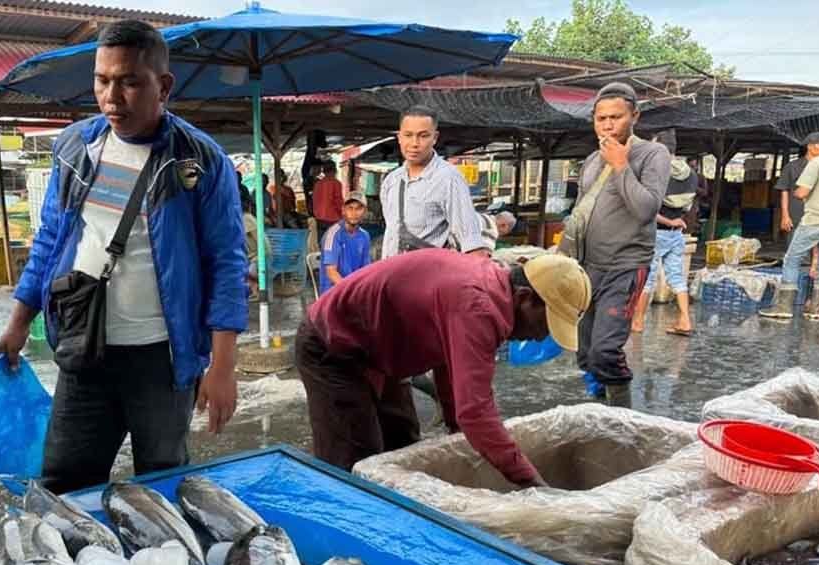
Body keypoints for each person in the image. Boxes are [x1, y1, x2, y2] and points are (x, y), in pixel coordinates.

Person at [0, 20, 247, 494]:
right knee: (64, 484)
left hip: (163, 357)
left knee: (162, 482)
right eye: (102, 80)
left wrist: (222, 366)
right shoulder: (75, 148)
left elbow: (227, 262)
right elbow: (50, 239)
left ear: (163, 86)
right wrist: (18, 321)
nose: (112, 97)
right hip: (84, 350)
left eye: (129, 82)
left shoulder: (199, 160)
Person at [294, 250, 590, 485]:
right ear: (525, 298)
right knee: (356, 460)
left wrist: (455, 426)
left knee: (404, 446)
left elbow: (451, 363)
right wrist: (534, 486)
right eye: (546, 324)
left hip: (379, 349)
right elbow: (476, 412)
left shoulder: (492, 290)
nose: (541, 336)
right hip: (333, 345)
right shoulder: (479, 306)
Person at [561, 82, 670, 408]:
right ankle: (599, 408)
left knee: (605, 350)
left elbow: (646, 209)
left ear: (634, 116)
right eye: (600, 118)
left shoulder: (652, 154)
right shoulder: (593, 160)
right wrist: (562, 257)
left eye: (616, 117)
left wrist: (621, 165)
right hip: (587, 265)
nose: (607, 125)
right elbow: (581, 211)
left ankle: (623, 414)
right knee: (584, 353)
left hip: (625, 264)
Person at [379, 106, 487, 258]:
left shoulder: (448, 179)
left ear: (435, 138)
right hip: (392, 276)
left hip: (428, 277)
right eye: (408, 135)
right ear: (399, 137)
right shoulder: (391, 180)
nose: (414, 143)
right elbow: (391, 232)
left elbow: (470, 242)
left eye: (423, 136)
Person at [761, 127, 819, 321]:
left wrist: (799, 193)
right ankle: (814, 310)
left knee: (792, 258)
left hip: (815, 219)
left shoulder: (818, 163)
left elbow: (802, 192)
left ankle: (784, 307)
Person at [631, 129, 698, 336]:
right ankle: (685, 320)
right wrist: (674, 220)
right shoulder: (691, 175)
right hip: (676, 233)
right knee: (677, 278)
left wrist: (667, 219)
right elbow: (687, 208)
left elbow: (647, 208)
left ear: (658, 147)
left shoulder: (656, 172)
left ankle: (638, 322)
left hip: (656, 232)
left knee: (646, 279)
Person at [774, 132, 819, 282]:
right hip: (796, 214)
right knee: (793, 252)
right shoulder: (792, 167)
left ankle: (815, 287)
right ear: (810, 146)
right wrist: (785, 215)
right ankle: (791, 287)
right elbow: (784, 190)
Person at [319, 192, 372, 292]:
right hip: (333, 293)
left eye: (358, 209)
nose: (354, 213)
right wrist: (351, 290)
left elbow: (366, 268)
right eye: (350, 208)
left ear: (365, 211)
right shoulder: (334, 235)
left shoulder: (364, 236)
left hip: (353, 290)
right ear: (343, 210)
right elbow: (331, 272)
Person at [311, 160, 344, 233]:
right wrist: (343, 215)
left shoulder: (318, 184)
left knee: (322, 242)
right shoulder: (336, 183)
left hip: (319, 219)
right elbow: (338, 202)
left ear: (324, 171)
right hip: (332, 219)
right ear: (334, 170)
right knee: (333, 242)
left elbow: (314, 201)